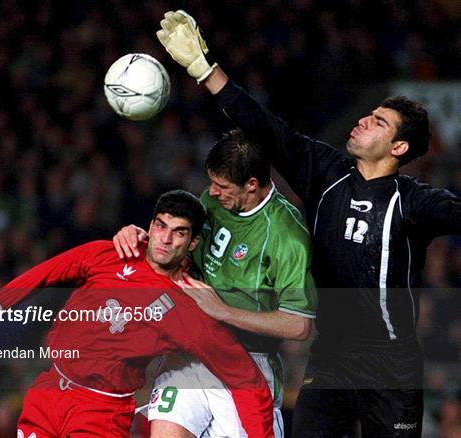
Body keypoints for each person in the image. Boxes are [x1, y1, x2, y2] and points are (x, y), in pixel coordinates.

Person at [153, 9, 461, 437]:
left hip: (393, 366)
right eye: (368, 114)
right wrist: (205, 70)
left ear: (399, 146)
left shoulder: (415, 201)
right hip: (332, 358)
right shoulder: (326, 173)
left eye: (378, 123)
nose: (363, 121)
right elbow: (265, 127)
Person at [0, 190, 274, 438]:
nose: (165, 239)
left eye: (179, 232)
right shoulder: (111, 253)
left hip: (100, 412)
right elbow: (43, 273)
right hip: (49, 390)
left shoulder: (186, 306)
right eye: (161, 226)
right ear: (150, 225)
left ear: (192, 243)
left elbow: (244, 378)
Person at [114, 130, 317, 437]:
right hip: (189, 354)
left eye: (222, 186)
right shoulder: (212, 201)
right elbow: (174, 244)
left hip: (249, 364)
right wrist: (138, 235)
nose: (212, 191)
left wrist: (223, 311)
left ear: (251, 185)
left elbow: (299, 326)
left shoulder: (287, 237)